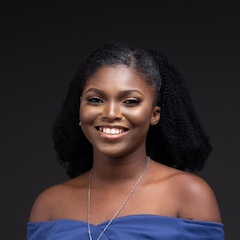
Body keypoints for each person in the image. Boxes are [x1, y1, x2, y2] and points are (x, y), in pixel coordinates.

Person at [27, 42, 225, 239]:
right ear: (79, 108)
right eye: (95, 100)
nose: (111, 113)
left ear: (154, 114)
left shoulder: (189, 194)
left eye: (130, 102)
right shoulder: (48, 206)